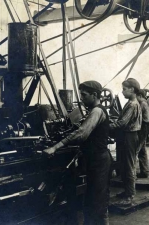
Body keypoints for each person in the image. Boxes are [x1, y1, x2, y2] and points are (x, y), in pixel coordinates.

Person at [44, 81, 111, 225]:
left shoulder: (97, 111)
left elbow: (82, 133)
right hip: (94, 159)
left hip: (99, 161)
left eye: (84, 95)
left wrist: (56, 146)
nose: (81, 98)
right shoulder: (94, 110)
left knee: (96, 201)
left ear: (94, 95)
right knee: (96, 199)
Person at [109, 78, 142, 207]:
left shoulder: (133, 104)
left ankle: (130, 195)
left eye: (124, 89)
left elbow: (123, 123)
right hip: (127, 136)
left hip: (130, 136)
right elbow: (122, 119)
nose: (122, 92)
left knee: (129, 165)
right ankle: (127, 191)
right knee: (124, 164)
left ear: (132, 89)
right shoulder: (130, 102)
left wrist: (107, 126)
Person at [136, 89, 149, 178]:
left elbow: (145, 119)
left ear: (140, 96)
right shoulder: (144, 103)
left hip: (142, 128)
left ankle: (133, 176)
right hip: (144, 128)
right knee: (142, 151)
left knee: (136, 150)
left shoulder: (142, 104)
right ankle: (144, 171)